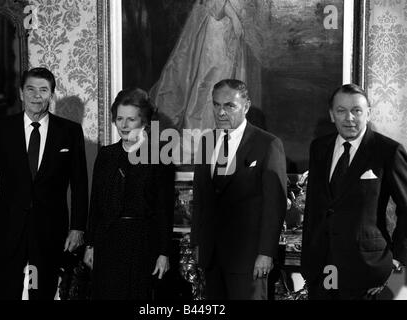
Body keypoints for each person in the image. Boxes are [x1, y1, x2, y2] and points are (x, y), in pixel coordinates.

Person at [0, 67, 89, 300]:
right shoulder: (1, 129)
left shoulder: (70, 132)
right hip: (9, 229)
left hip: (49, 231)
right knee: (6, 291)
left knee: (41, 291)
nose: (37, 96)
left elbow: (79, 185)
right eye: (31, 89)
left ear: (52, 95)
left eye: (43, 90)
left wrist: (77, 228)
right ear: (21, 93)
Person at [301, 84, 407, 300]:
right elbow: (314, 206)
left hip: (366, 271)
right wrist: (308, 259)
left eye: (357, 110)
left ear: (368, 113)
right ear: (332, 115)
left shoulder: (388, 150)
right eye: (341, 111)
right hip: (321, 268)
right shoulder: (319, 148)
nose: (349, 118)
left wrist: (396, 259)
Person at [191, 79, 287, 300]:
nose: (221, 112)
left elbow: (275, 205)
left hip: (250, 258)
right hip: (211, 256)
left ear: (246, 106)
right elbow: (201, 198)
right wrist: (198, 242)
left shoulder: (268, 144)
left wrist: (266, 253)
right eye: (216, 105)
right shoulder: (207, 142)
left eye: (229, 106)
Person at [83, 88, 175, 300]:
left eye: (131, 119)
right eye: (119, 119)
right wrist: (91, 244)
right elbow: (95, 203)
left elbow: (164, 209)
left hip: (142, 245)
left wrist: (164, 253)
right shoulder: (106, 155)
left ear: (144, 121)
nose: (123, 126)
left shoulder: (159, 156)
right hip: (107, 242)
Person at [150, 0, 265, 132]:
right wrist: (233, 17)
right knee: (209, 78)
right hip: (218, 23)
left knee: (228, 78)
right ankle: (201, 130)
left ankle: (222, 130)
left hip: (233, 26)